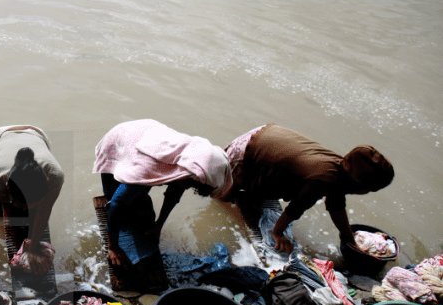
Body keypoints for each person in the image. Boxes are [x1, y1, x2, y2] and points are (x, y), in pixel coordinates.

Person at [93, 119, 232, 290]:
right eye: (189, 184)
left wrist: (159, 225)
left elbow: (173, 194)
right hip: (118, 142)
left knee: (139, 204)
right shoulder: (147, 168)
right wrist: (113, 247)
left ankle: (136, 202)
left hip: (144, 137)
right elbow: (115, 205)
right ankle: (121, 227)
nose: (188, 187)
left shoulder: (188, 165)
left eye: (192, 186)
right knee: (118, 200)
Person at [224, 124, 394, 253]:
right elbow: (295, 208)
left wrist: (348, 237)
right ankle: (227, 196)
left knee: (279, 183)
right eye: (369, 190)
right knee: (228, 193)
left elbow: (336, 206)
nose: (367, 193)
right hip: (246, 152)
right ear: (359, 185)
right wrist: (277, 233)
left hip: (264, 134)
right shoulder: (323, 180)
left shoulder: (339, 168)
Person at [0, 125, 64, 268]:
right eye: (22, 204)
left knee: (32, 212)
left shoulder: (54, 176)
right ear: (7, 187)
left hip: (36, 135)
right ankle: (1, 211)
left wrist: (32, 248)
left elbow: (44, 210)